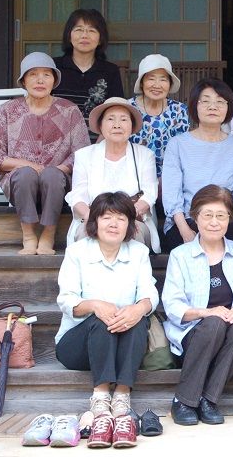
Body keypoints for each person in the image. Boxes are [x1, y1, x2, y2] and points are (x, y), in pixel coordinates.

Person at [55, 192, 158, 449]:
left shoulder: (138, 252)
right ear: (95, 222)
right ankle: (100, 396)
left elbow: (149, 294)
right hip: (78, 346)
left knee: (138, 317)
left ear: (130, 225)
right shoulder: (77, 252)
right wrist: (94, 305)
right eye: (107, 217)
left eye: (121, 218)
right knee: (101, 319)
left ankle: (122, 394)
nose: (114, 224)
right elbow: (66, 300)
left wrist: (139, 308)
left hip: (123, 345)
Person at [162, 185, 233, 426]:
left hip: (231, 336)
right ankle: (183, 399)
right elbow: (172, 304)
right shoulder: (180, 255)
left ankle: (208, 399)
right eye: (208, 215)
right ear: (195, 217)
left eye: (221, 216)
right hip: (193, 334)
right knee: (213, 323)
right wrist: (207, 313)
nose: (214, 222)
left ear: (229, 219)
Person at [0, 52, 89, 255]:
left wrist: (57, 169)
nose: (40, 80)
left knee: (52, 175)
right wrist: (30, 166)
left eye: (46, 75)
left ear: (54, 80)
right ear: (23, 81)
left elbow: (82, 151)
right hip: (20, 182)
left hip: (59, 182)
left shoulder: (69, 110)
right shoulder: (7, 110)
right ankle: (29, 236)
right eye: (33, 74)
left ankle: (48, 235)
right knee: (25, 174)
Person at [162, 78, 233, 250]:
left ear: (228, 108)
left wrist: (219, 214)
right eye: (205, 101)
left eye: (220, 102)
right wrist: (184, 229)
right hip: (187, 219)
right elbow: (172, 193)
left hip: (226, 218)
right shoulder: (177, 144)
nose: (213, 107)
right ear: (195, 106)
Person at [66, 97, 160, 253]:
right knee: (85, 235)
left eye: (123, 119)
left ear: (132, 126)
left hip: (132, 218)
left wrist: (124, 218)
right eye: (110, 119)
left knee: (134, 234)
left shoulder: (145, 155)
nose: (117, 125)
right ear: (100, 126)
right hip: (93, 218)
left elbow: (150, 193)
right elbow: (77, 196)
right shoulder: (84, 155)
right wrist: (96, 219)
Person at [53, 9, 124, 134]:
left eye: (92, 30)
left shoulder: (110, 71)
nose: (85, 35)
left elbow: (116, 112)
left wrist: (100, 144)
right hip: (56, 140)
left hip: (97, 141)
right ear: (69, 36)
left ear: (100, 39)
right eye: (79, 29)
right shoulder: (54, 67)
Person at [128, 54, 190, 179]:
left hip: (170, 177)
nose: (157, 85)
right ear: (142, 83)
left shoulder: (179, 110)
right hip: (133, 176)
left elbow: (183, 150)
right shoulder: (128, 108)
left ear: (170, 84)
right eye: (151, 79)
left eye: (163, 79)